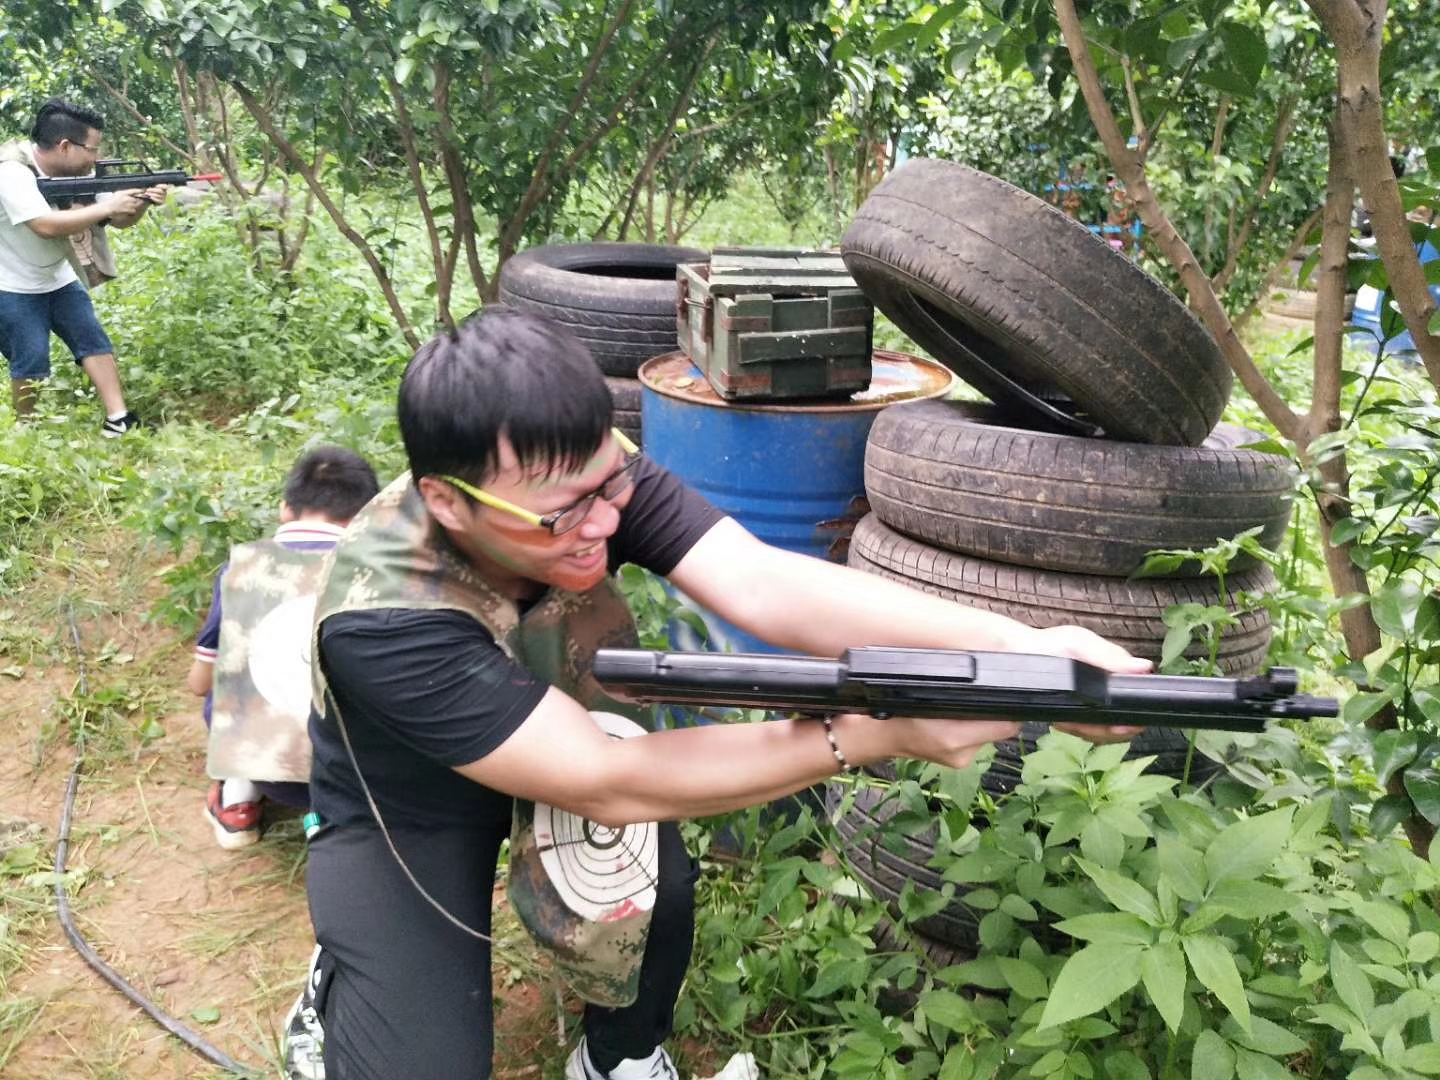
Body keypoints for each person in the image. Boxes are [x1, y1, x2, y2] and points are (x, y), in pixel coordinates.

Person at [300, 307, 1150, 1080]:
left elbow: (760, 583)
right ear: (449, 502)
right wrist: (872, 737)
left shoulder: (584, 476)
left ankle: (620, 1059)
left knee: (651, 895)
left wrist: (1027, 648)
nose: (601, 523)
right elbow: (606, 778)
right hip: (410, 801)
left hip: (572, 716)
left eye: (610, 489)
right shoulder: (384, 619)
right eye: (563, 516)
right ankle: (342, 974)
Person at [188, 445, 380, 850]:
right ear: (366, 517)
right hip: (361, 773)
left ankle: (238, 798)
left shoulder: (241, 568)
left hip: (265, 766)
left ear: (284, 509)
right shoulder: (378, 573)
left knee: (227, 689)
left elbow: (199, 682)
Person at [0, 97, 165, 433]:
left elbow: (117, 220)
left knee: (92, 338)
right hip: (10, 282)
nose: (96, 157)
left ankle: (118, 419)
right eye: (92, 149)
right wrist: (108, 208)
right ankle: (27, 432)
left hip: (57, 277)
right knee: (31, 359)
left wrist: (142, 202)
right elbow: (45, 226)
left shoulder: (82, 172)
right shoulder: (11, 171)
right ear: (64, 146)